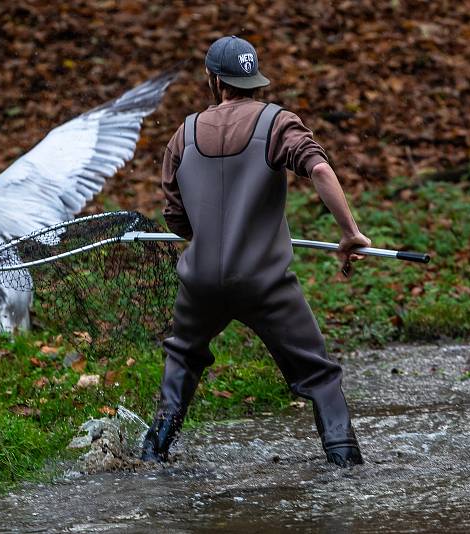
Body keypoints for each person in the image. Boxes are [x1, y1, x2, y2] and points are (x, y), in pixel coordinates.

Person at [140, 35, 371, 467]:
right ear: (254, 79)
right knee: (319, 376)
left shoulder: (183, 134)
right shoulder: (278, 123)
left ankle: (152, 455)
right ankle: (345, 466)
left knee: (183, 359)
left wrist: (209, 229)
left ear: (213, 79)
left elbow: (177, 219)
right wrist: (350, 233)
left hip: (201, 284)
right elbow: (318, 167)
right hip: (265, 283)